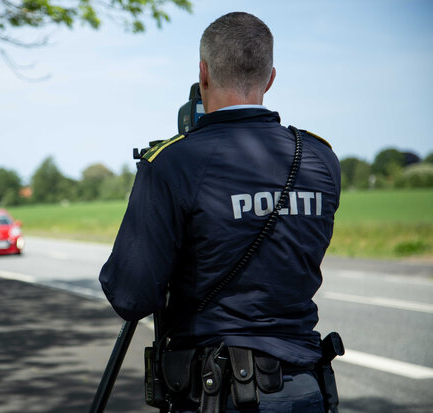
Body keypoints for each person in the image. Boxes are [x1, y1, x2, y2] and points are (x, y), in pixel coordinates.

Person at [99, 11, 341, 413]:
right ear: (270, 78)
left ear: (203, 73)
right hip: (306, 388)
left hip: (214, 393)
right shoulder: (320, 159)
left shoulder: (172, 164)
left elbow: (131, 295)